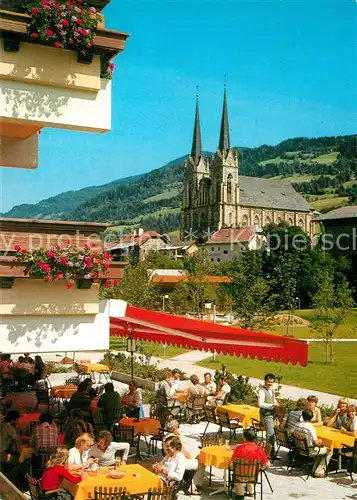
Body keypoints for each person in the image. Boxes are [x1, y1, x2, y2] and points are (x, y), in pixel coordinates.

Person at [230, 429, 270, 500]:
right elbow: (268, 464)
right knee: (251, 471)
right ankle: (251, 492)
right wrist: (259, 469)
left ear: (244, 438)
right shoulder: (259, 449)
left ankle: (240, 495)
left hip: (240, 476)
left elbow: (232, 461)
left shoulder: (239, 448)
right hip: (253, 476)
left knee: (234, 468)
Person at [292, 409, 333, 478]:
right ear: (311, 418)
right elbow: (316, 442)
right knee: (329, 450)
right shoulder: (310, 427)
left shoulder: (297, 424)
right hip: (309, 451)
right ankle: (319, 471)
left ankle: (314, 469)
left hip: (298, 448)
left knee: (321, 449)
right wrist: (321, 441)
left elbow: (291, 433)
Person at [257, 373, 279, 447]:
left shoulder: (272, 390)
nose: (270, 383)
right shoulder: (261, 391)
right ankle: (271, 454)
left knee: (271, 434)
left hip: (272, 415)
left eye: (272, 382)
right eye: (269, 382)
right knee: (270, 435)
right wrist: (272, 405)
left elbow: (273, 399)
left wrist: (276, 403)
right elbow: (261, 404)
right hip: (266, 416)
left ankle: (268, 452)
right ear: (265, 381)